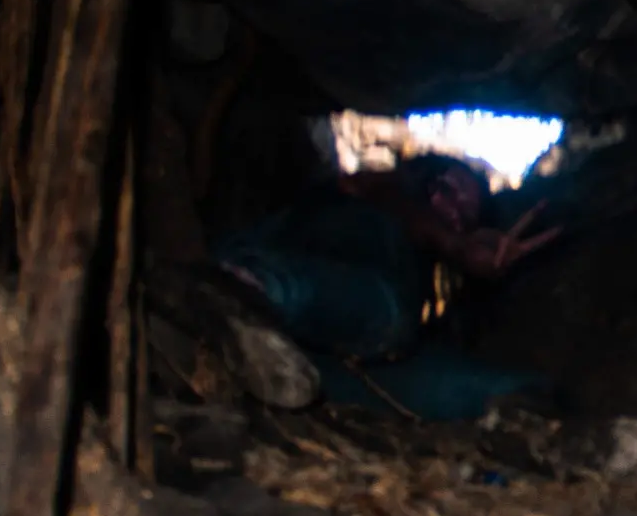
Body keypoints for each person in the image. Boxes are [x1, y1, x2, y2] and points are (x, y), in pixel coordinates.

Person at [209, 155, 564, 415]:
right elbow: (381, 193)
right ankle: (235, 290)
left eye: (466, 217)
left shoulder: (412, 284)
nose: (453, 212)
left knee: (474, 380)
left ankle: (525, 407)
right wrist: (454, 245)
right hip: (270, 276)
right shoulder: (371, 198)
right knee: (390, 314)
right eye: (444, 189)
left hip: (308, 362)